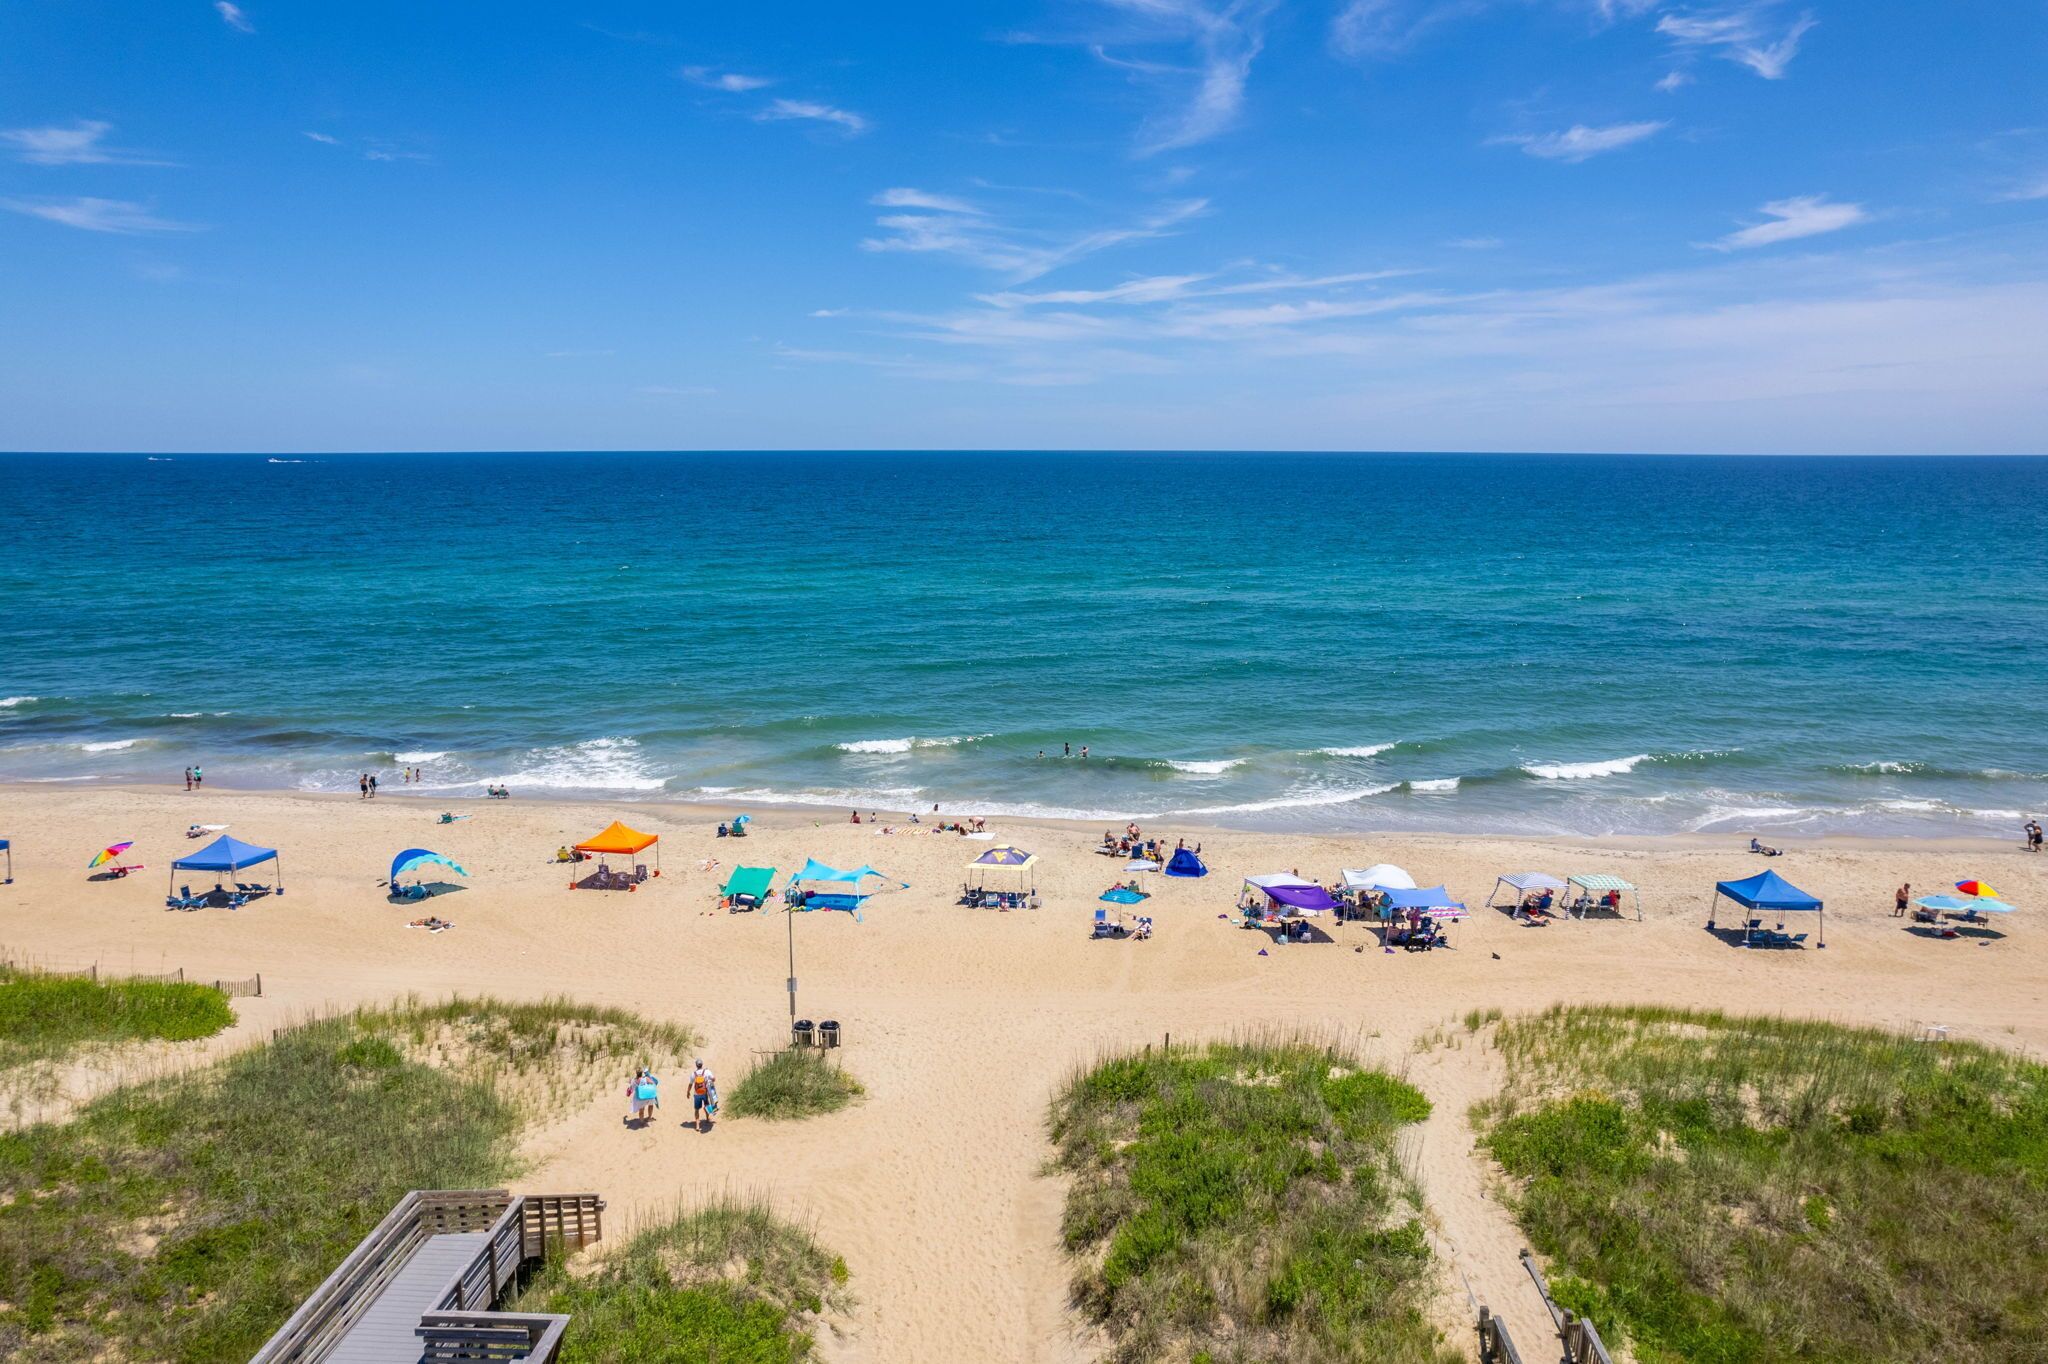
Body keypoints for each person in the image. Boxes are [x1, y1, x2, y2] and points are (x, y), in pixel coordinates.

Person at [689, 1060, 717, 1132]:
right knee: (706, 1106)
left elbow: (690, 1084)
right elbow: (714, 1079)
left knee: (696, 1109)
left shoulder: (693, 1074)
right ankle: (707, 1119)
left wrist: (688, 1092)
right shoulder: (707, 1072)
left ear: (696, 1065)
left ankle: (697, 1125)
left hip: (697, 1094)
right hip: (704, 1093)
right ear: (702, 1064)